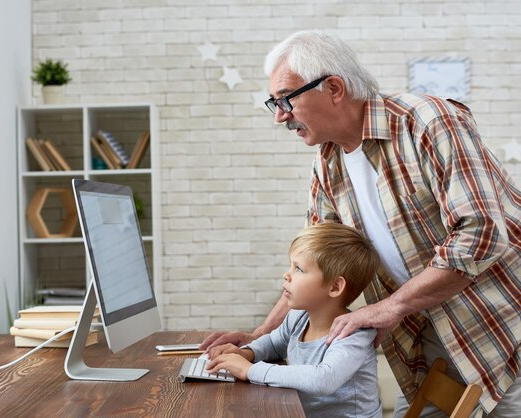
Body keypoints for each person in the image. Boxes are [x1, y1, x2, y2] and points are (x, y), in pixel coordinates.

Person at [201, 30, 521, 417]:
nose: (280, 116)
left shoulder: (428, 122)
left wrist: (391, 307)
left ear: (333, 88)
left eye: (286, 99)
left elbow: (481, 234)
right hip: (426, 331)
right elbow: (317, 264)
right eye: (275, 103)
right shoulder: (328, 162)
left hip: (502, 326)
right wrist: (258, 337)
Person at [207, 223, 382, 418]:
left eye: (298, 268)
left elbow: (322, 380)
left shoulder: (354, 334)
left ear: (334, 287)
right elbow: (274, 343)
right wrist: (246, 353)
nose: (287, 274)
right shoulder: (299, 317)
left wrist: (250, 370)